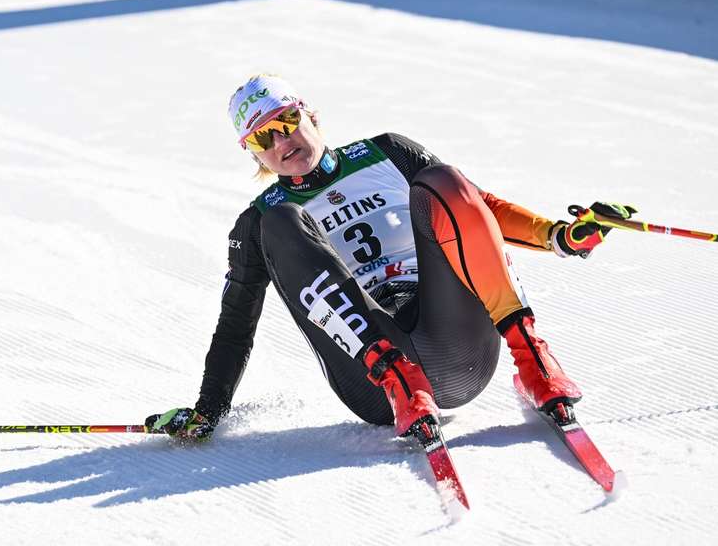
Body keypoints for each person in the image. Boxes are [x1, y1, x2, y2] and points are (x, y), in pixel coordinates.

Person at [145, 74, 634, 441]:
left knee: (444, 182)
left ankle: (534, 361)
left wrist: (559, 235)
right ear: (253, 154)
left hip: (456, 346)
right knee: (279, 220)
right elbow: (235, 325)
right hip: (374, 383)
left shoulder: (387, 153)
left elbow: (473, 209)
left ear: (310, 116)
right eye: (262, 139)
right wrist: (208, 410)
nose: (282, 142)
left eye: (287, 122)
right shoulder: (260, 220)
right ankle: (401, 380)